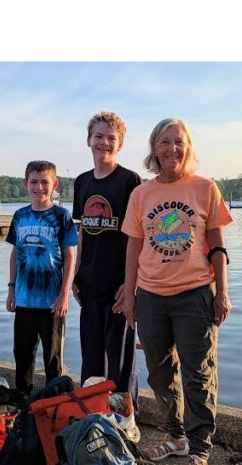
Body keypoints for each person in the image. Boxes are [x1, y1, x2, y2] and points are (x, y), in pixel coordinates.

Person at [115, 118, 232, 465]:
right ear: (154, 148)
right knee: (160, 373)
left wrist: (222, 292)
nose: (172, 149)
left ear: (188, 147)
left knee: (199, 374)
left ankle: (199, 453)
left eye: (178, 142)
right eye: (165, 142)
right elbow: (134, 246)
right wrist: (129, 293)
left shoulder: (205, 188)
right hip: (150, 295)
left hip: (195, 293)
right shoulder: (141, 194)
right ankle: (176, 435)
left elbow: (216, 242)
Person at [72, 111, 143, 400]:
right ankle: (92, 411)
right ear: (89, 140)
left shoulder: (130, 181)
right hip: (89, 283)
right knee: (90, 353)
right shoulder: (81, 182)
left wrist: (132, 284)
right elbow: (81, 233)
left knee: (120, 359)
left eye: (111, 138)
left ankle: (124, 417)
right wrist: (76, 274)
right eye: (98, 136)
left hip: (119, 285)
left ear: (120, 144)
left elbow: (139, 237)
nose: (104, 142)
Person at [5, 160, 79, 394]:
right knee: (23, 357)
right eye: (34, 182)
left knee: (53, 361)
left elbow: (70, 257)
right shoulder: (19, 216)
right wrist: (11, 289)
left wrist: (64, 295)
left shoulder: (61, 216)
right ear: (25, 184)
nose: (39, 188)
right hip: (24, 301)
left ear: (54, 185)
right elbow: (15, 253)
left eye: (44, 182)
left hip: (52, 304)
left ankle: (52, 407)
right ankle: (21, 404)